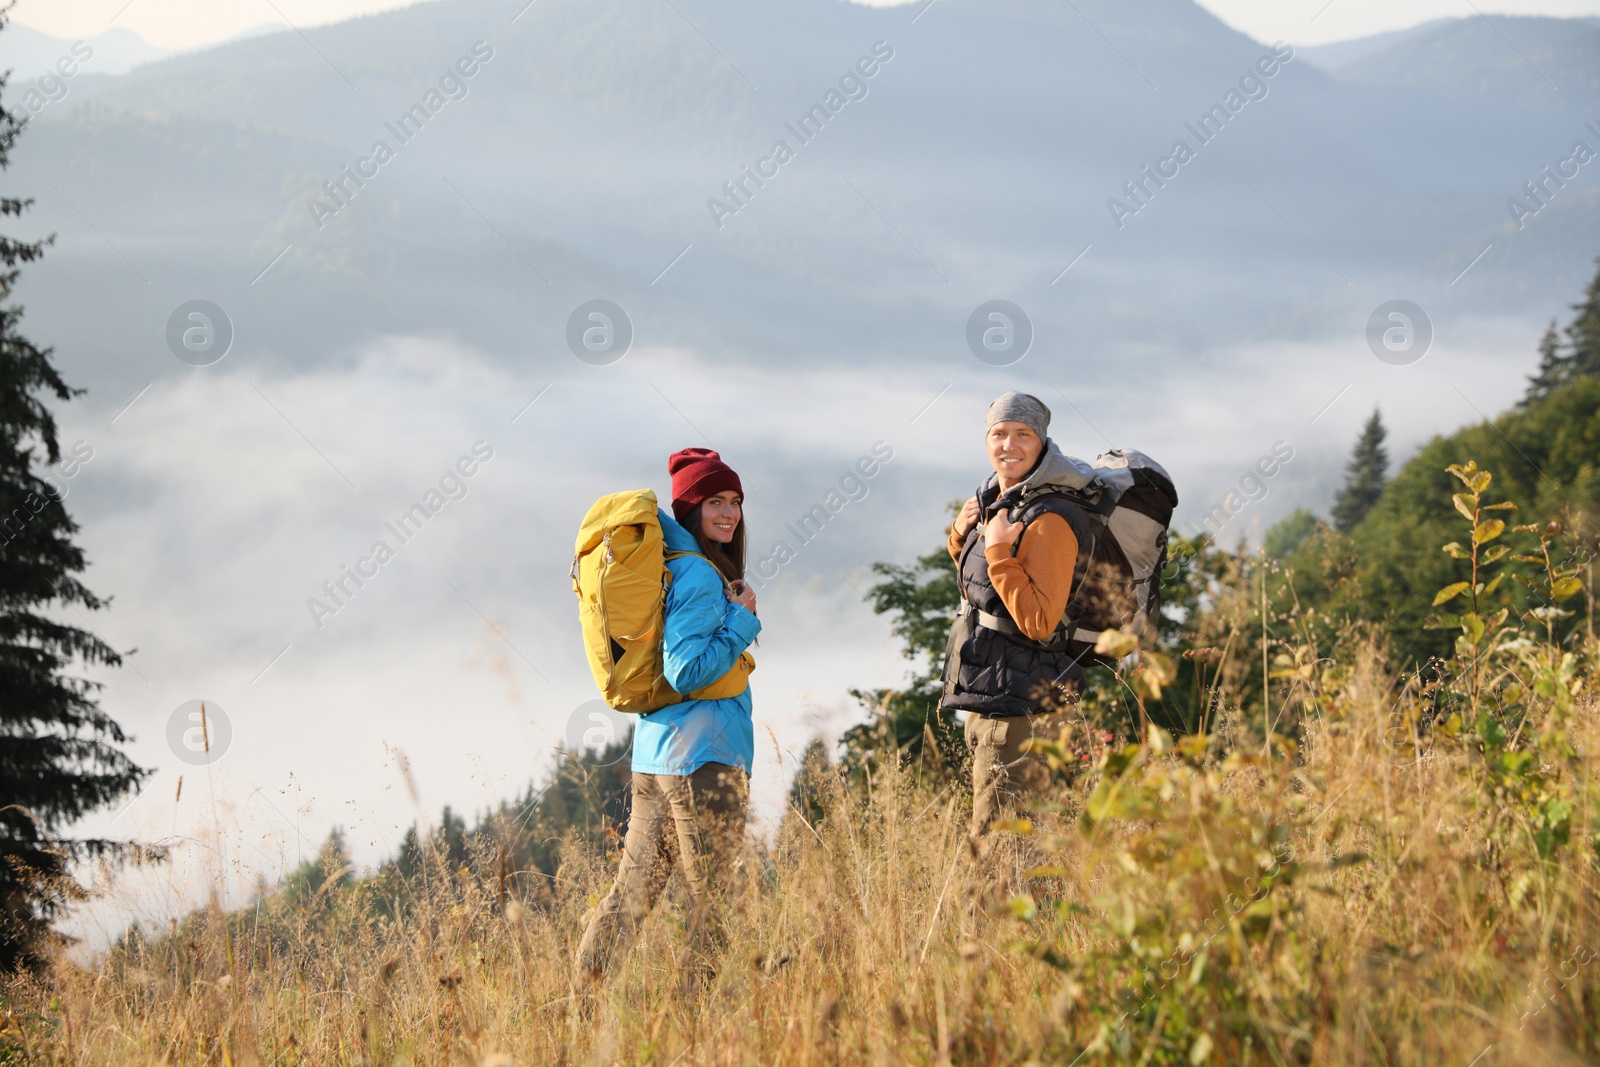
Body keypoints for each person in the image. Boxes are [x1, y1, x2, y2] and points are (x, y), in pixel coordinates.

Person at [574, 447, 761, 991]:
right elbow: (687, 671)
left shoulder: (668, 568)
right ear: (688, 508)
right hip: (705, 761)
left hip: (656, 758)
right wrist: (744, 624)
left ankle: (581, 1013)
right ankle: (693, 1028)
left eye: (735, 502)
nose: (728, 513)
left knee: (628, 899)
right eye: (713, 502)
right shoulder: (700, 577)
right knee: (715, 906)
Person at [941, 391, 1097, 854]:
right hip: (995, 700)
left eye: (1022, 434)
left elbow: (1037, 620)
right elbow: (983, 593)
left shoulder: (1050, 518)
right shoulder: (1004, 500)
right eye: (999, 433)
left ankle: (994, 930)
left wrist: (997, 552)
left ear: (1042, 441)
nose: (1009, 444)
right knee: (1016, 852)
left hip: (1020, 713)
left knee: (997, 858)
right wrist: (960, 537)